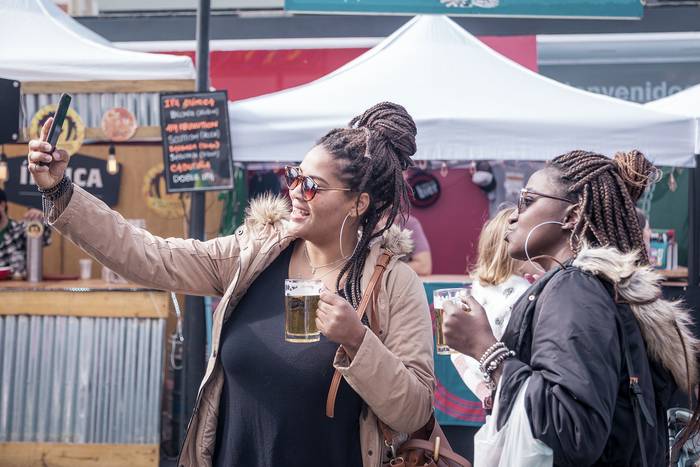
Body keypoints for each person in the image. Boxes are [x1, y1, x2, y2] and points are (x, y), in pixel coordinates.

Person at [28, 102, 434, 467]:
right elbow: (152, 256)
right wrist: (61, 191)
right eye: (294, 176)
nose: (295, 191)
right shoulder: (254, 254)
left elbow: (414, 411)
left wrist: (358, 340)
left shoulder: (392, 284)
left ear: (358, 204)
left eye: (312, 185)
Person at [443, 149, 697, 466]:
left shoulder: (574, 290)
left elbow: (573, 431)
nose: (513, 215)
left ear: (571, 216)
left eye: (527, 200)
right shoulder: (583, 287)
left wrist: (486, 348)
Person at [450, 207, 530, 403]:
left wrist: (481, 390)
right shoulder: (525, 293)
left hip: (491, 395)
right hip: (518, 396)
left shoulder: (476, 291)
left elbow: (456, 355)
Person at [0, 188, 51, 278]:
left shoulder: (19, 230)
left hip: (18, 289)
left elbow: (45, 239)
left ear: (2, 205)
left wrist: (41, 217)